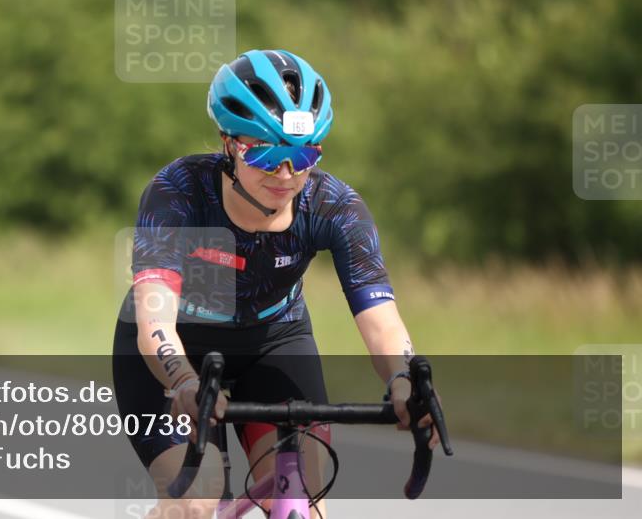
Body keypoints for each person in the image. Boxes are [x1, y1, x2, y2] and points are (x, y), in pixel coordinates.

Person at [112, 49, 440, 519]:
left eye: (302, 155)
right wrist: (182, 378)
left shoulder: (334, 206)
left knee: (302, 496)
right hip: (173, 351)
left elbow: (381, 319)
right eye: (266, 154)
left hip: (274, 340)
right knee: (198, 499)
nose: (286, 175)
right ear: (229, 144)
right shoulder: (177, 192)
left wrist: (403, 377)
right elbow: (154, 318)